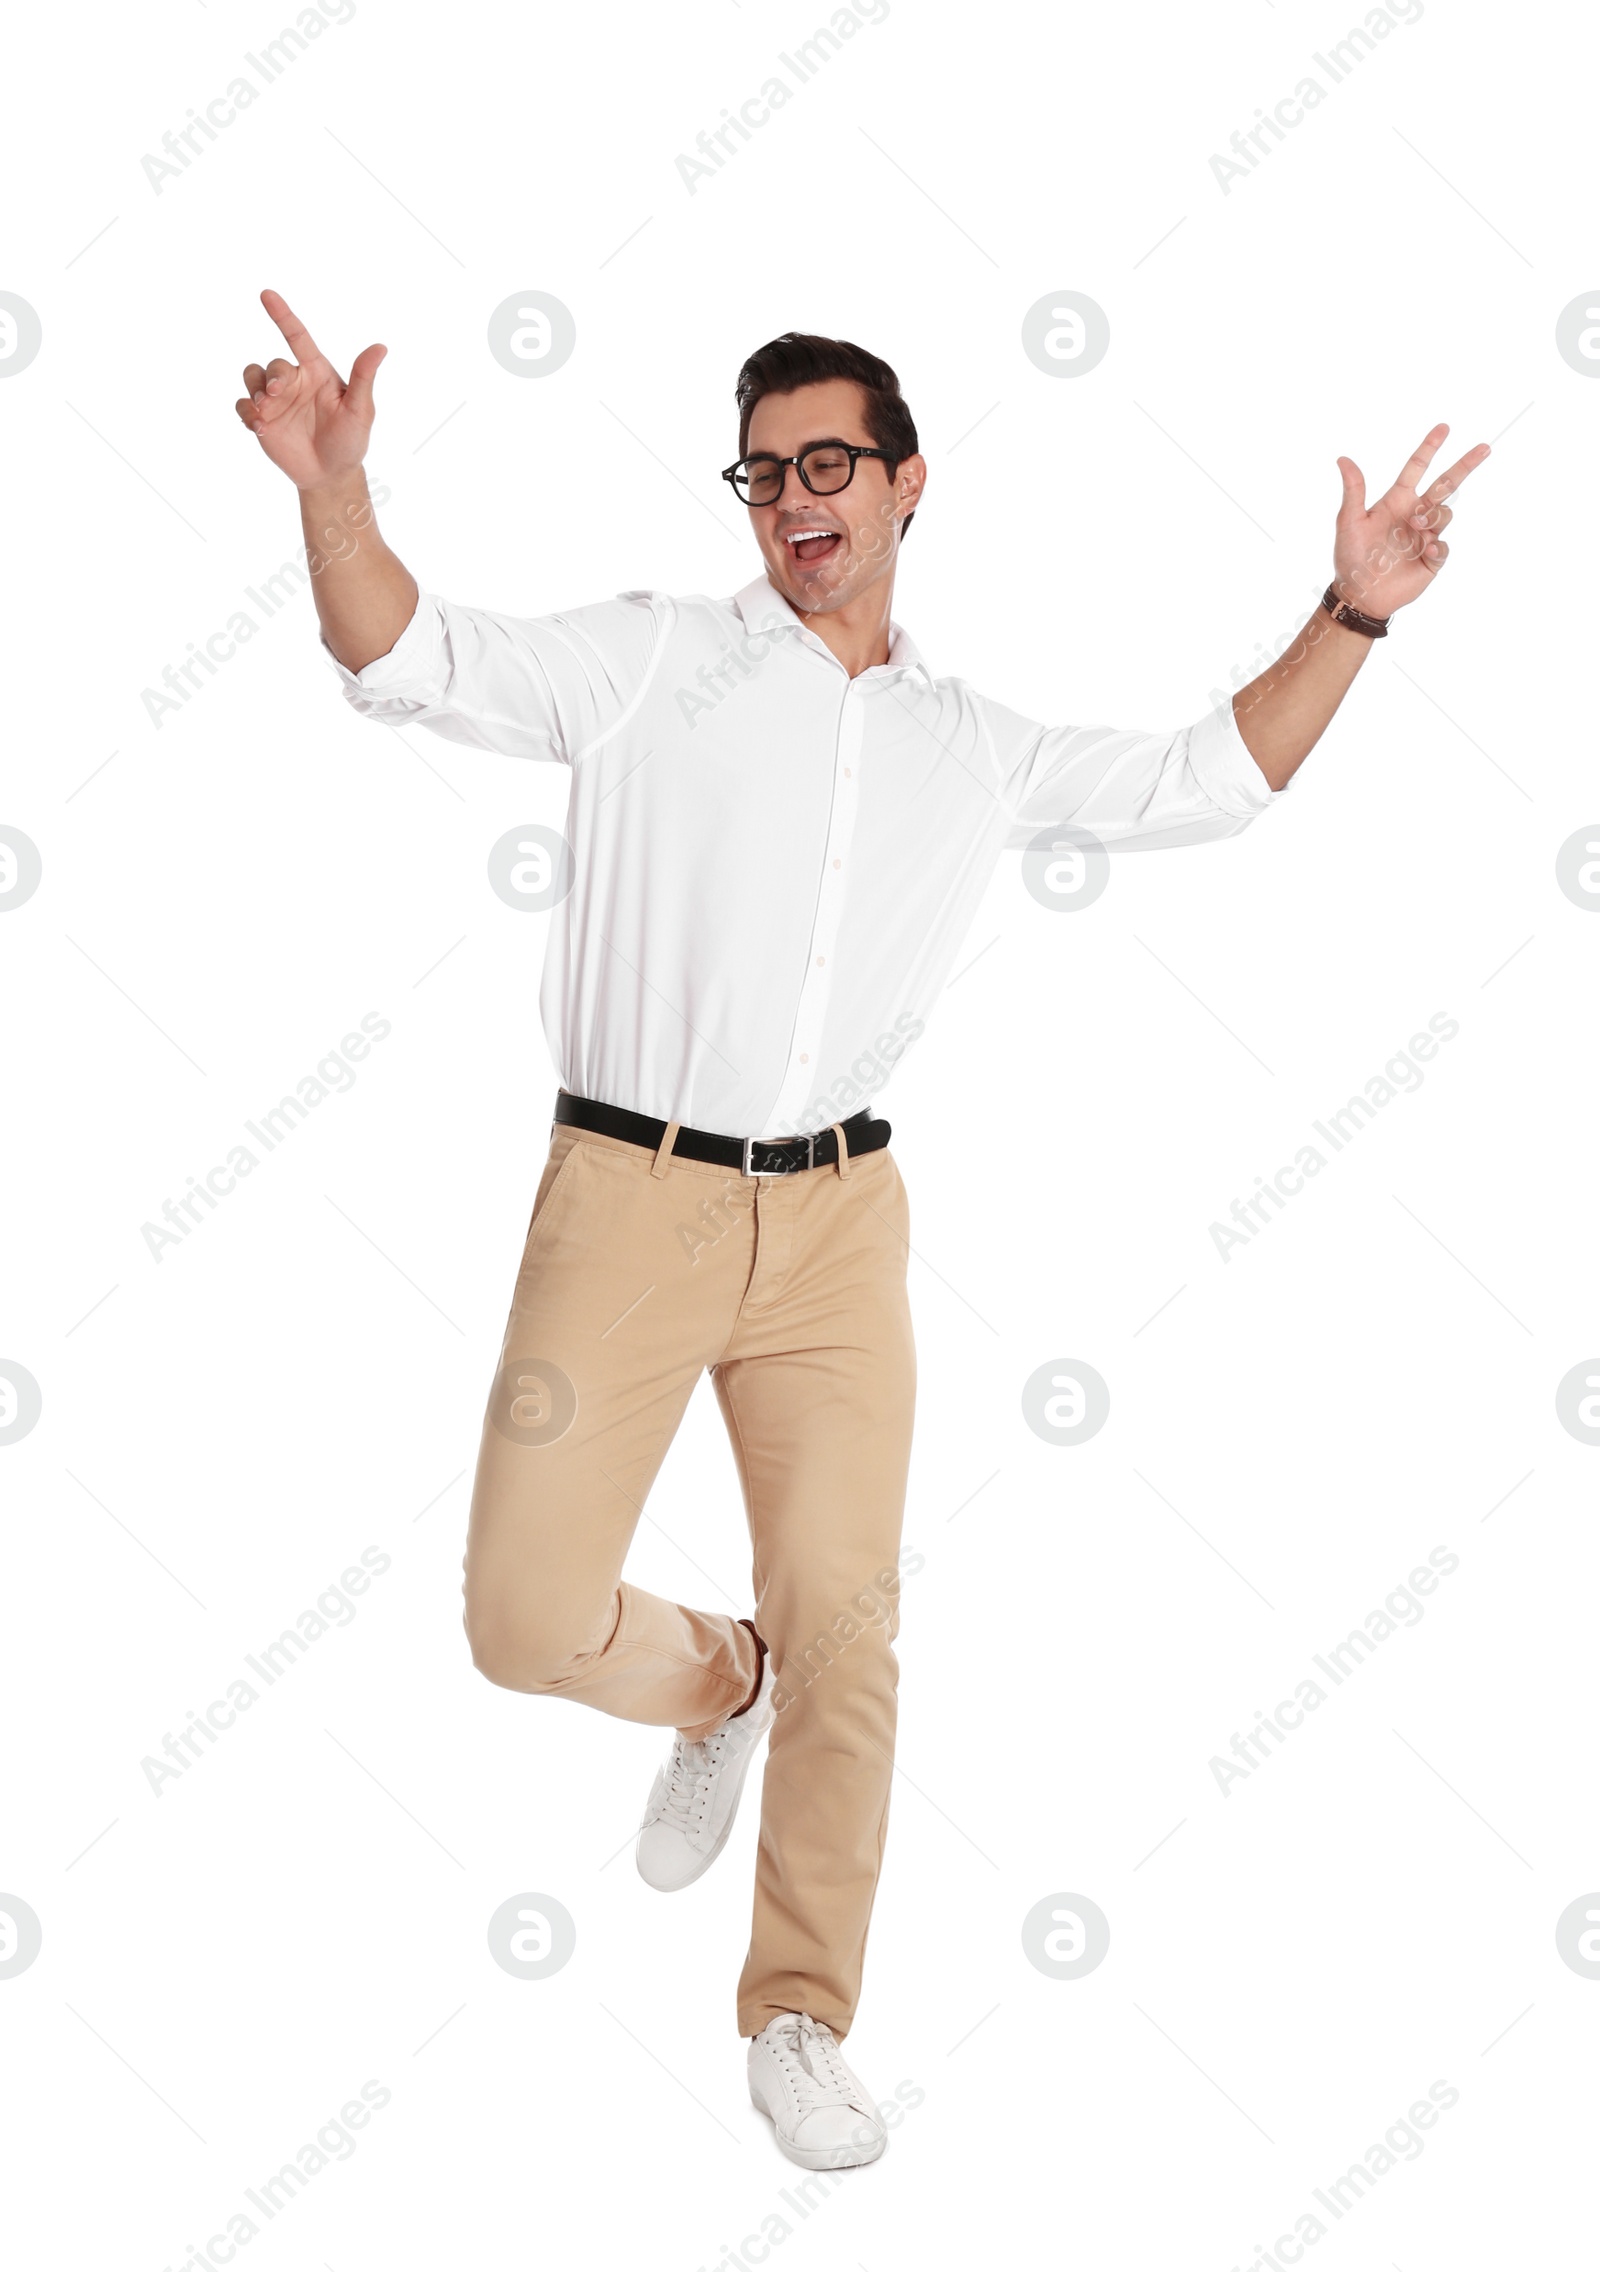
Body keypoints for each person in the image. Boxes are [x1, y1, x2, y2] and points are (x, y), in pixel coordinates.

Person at [235, 289, 1488, 2167]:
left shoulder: (967, 744)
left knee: (857, 1628)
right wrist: (336, 495)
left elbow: (1204, 781)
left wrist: (1357, 610)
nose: (796, 497)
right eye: (765, 471)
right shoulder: (654, 659)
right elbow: (410, 652)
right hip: (626, 1197)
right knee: (517, 1621)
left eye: (832, 464)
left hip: (840, 1224)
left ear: (908, 485)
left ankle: (802, 2010)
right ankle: (710, 1679)